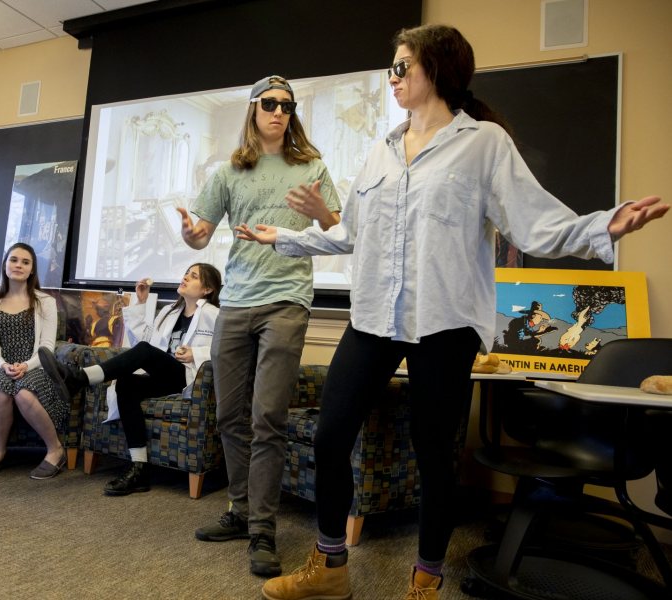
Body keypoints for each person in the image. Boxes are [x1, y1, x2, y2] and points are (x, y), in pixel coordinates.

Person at [235, 25, 669, 600]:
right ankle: (331, 566)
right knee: (330, 436)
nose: (391, 78)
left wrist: (602, 225)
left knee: (435, 455)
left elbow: (533, 220)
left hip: (444, 322)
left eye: (401, 67)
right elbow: (354, 235)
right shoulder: (379, 150)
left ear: (435, 70)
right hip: (373, 318)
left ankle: (426, 579)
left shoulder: (483, 142)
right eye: (391, 68)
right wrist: (288, 236)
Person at [177, 75, 342, 577]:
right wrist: (190, 234)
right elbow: (200, 238)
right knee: (229, 414)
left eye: (287, 105)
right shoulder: (229, 170)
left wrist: (321, 213)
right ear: (253, 109)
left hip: (287, 303)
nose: (279, 111)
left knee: (267, 417)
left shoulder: (311, 165)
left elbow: (338, 225)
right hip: (237, 302)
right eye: (269, 103)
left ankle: (263, 529)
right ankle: (241, 509)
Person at [39, 263, 222, 495]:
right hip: (163, 376)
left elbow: (226, 350)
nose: (185, 278)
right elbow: (142, 342)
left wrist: (195, 353)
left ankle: (80, 378)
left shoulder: (215, 315)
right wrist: (142, 303)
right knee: (126, 384)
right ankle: (139, 469)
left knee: (144, 352)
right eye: (186, 273)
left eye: (193, 276)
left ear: (207, 289)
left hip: (188, 378)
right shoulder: (169, 313)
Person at [0, 242, 69, 480]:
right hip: (1, 366)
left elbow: (47, 346)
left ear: (32, 270)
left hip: (36, 366)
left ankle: (55, 450)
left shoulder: (45, 301)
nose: (19, 265)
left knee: (24, 393)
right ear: (5, 265)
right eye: (14, 260)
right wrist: (4, 365)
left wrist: (27, 365)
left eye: (25, 262)